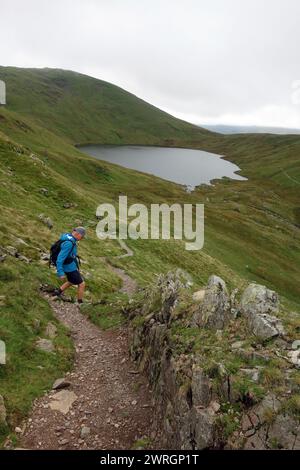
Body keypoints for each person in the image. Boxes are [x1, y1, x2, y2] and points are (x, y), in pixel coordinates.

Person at [54, 227, 86, 303]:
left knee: (71, 281)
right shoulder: (69, 243)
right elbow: (60, 259)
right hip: (69, 267)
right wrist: (60, 273)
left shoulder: (67, 236)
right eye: (82, 236)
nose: (82, 238)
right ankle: (80, 303)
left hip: (70, 265)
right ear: (78, 234)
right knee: (81, 284)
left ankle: (58, 292)